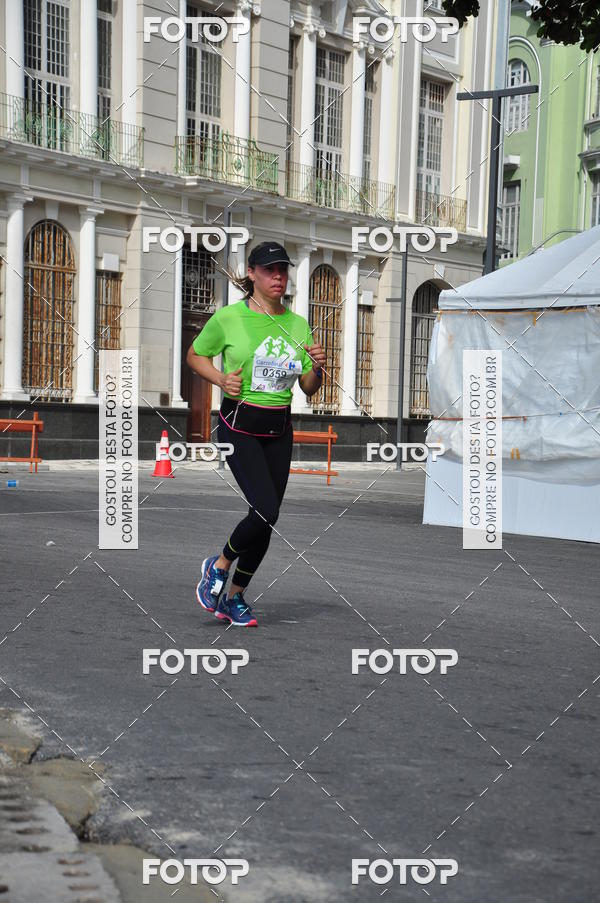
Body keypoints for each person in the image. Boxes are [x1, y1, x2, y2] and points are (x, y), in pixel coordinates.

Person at [186, 242, 326, 627]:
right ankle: (218, 566)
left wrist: (318, 367)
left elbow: (309, 388)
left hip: (278, 429)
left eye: (283, 269)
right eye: (269, 270)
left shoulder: (298, 324)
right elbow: (195, 355)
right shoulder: (229, 318)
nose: (278, 276)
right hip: (238, 426)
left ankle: (234, 597)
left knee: (267, 516)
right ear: (252, 274)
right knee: (265, 508)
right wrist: (219, 378)